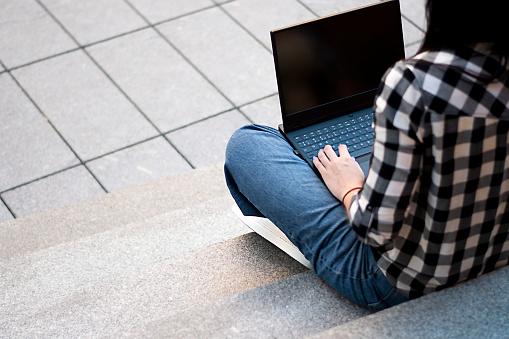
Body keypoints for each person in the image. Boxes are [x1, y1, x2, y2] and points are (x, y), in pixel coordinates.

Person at [224, 0, 509, 312]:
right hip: (496, 253)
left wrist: (349, 186)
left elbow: (375, 227)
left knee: (248, 144)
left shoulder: (415, 83)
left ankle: (314, 245)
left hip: (396, 280)